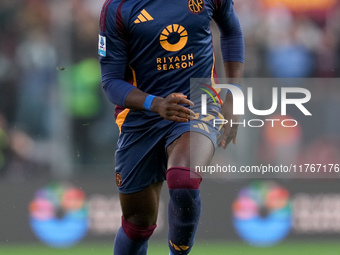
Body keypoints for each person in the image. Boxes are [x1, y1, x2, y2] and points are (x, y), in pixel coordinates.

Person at [98, 0, 244, 254]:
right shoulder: (118, 8)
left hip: (198, 101)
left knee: (183, 178)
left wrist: (233, 95)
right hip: (140, 118)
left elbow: (231, 30)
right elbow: (111, 81)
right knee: (137, 225)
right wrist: (154, 104)